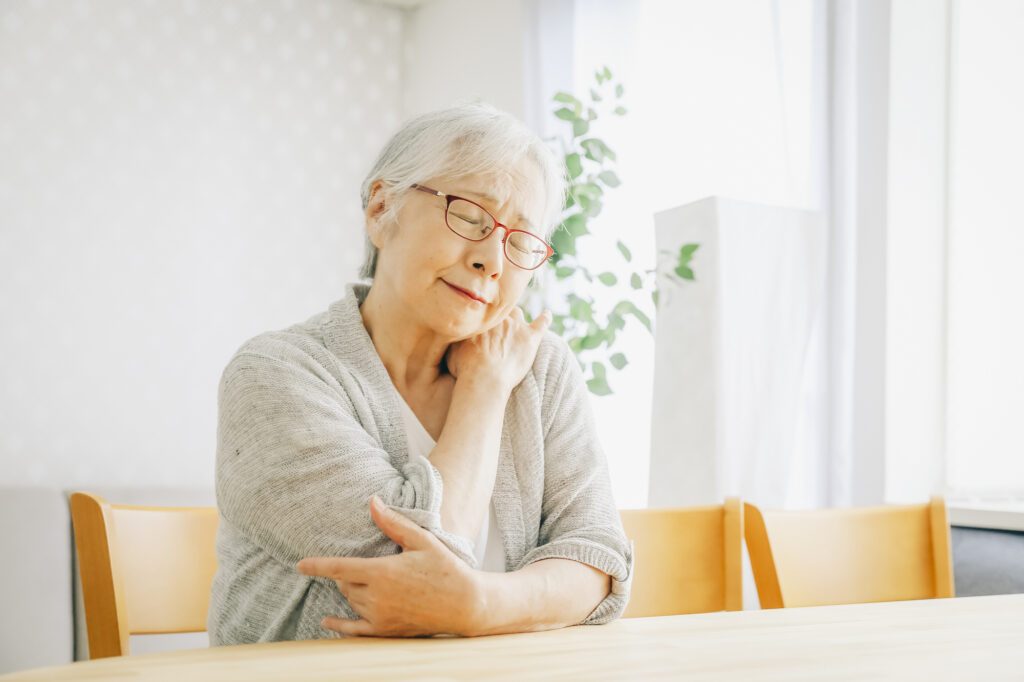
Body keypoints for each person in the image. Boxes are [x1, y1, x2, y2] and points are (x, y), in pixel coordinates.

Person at [208, 102, 633, 643]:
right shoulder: (274, 374)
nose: (491, 261)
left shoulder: (541, 369)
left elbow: (598, 558)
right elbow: (409, 569)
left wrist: (478, 606)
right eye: (470, 217)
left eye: (520, 242)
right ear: (382, 209)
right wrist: (484, 387)